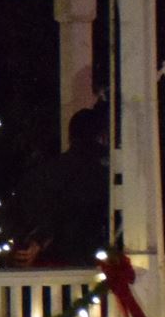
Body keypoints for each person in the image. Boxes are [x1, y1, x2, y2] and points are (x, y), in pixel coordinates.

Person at [10, 105, 112, 266]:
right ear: (101, 136)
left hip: (53, 263)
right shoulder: (103, 172)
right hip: (88, 260)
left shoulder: (47, 171)